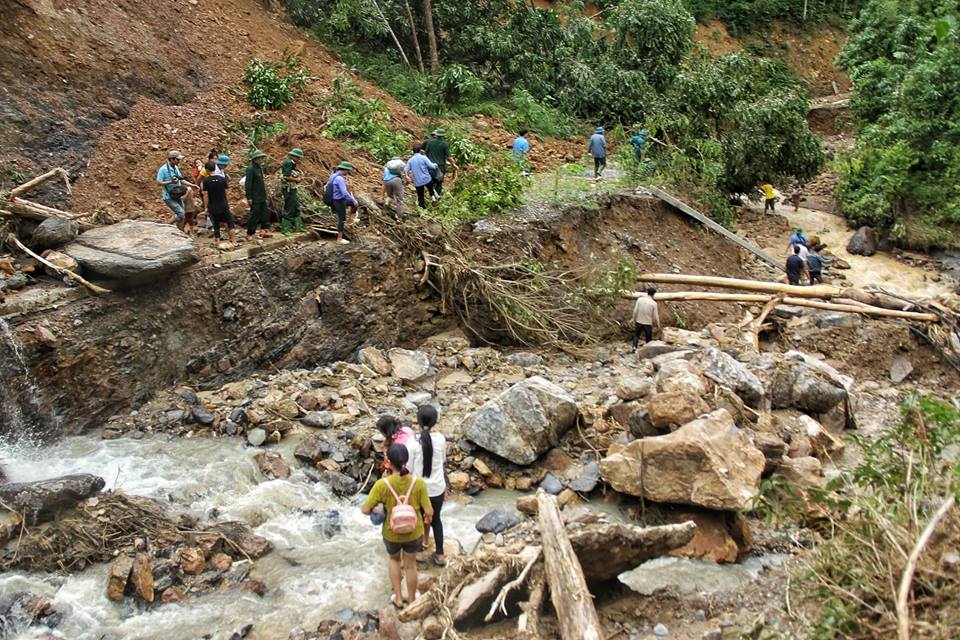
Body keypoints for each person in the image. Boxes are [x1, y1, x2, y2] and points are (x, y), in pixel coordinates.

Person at [361, 444, 432, 610]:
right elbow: (428, 510)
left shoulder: (382, 485)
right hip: (414, 532)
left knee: (394, 559)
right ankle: (413, 600)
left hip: (391, 533)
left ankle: (399, 598)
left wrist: (378, 509)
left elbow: (365, 510)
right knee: (410, 565)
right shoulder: (419, 483)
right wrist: (427, 519)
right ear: (406, 460)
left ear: (388, 461)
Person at [410, 405, 447, 567]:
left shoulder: (412, 442)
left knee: (418, 519)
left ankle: (418, 550)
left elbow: (409, 468)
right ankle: (439, 554)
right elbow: (443, 461)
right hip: (437, 488)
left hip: (419, 489)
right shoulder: (440, 439)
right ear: (435, 422)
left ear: (418, 421)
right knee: (436, 519)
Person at [156, 150, 198, 230]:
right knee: (181, 213)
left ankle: (179, 230)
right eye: (177, 159)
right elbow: (158, 182)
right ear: (171, 159)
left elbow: (181, 179)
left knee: (182, 214)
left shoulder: (175, 167)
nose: (179, 161)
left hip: (177, 194)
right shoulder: (163, 169)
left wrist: (192, 185)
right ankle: (167, 225)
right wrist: (170, 182)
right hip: (168, 196)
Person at [202, 160, 237, 246]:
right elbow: (227, 192)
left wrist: (205, 207)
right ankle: (233, 240)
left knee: (216, 223)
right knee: (229, 222)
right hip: (223, 204)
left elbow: (205, 195)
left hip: (213, 205)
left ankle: (217, 240)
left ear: (206, 170)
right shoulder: (222, 179)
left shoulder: (206, 181)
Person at [326, 161, 359, 245]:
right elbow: (344, 192)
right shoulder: (340, 178)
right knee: (342, 219)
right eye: (348, 171)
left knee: (353, 204)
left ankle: (350, 221)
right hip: (338, 200)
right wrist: (353, 200)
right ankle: (339, 239)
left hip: (335, 198)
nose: (348, 173)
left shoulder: (333, 175)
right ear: (344, 170)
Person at [244, 150, 273, 240]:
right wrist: (249, 197)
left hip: (261, 196)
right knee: (254, 215)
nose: (261, 160)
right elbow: (248, 184)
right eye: (260, 158)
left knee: (265, 213)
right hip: (255, 196)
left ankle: (264, 230)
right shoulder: (250, 169)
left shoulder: (259, 168)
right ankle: (250, 233)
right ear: (256, 159)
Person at [424, 129, 456, 199]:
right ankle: (437, 196)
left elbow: (425, 154)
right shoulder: (444, 144)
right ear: (443, 136)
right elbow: (449, 157)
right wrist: (453, 164)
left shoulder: (430, 143)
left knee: (430, 181)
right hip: (440, 166)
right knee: (439, 182)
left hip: (430, 165)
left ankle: (432, 196)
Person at [281, 148, 305, 236]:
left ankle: (298, 227)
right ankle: (285, 229)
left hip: (292, 188)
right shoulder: (288, 163)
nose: (299, 159)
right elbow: (285, 176)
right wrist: (296, 179)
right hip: (288, 189)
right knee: (289, 207)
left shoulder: (292, 164)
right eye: (298, 158)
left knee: (296, 206)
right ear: (293, 156)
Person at [406, 145, 438, 210]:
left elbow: (405, 170)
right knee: (430, 189)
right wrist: (435, 165)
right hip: (426, 178)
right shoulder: (424, 157)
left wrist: (407, 176)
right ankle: (433, 199)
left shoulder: (410, 160)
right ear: (420, 150)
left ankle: (422, 208)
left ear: (413, 152)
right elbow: (431, 166)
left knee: (420, 195)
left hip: (418, 181)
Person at [631, 287, 660, 351]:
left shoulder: (640, 300)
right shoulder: (654, 303)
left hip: (639, 321)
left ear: (647, 292)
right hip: (648, 323)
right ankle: (648, 350)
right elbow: (655, 316)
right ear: (654, 294)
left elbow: (635, 311)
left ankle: (634, 346)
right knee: (648, 338)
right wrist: (658, 324)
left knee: (636, 335)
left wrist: (633, 318)